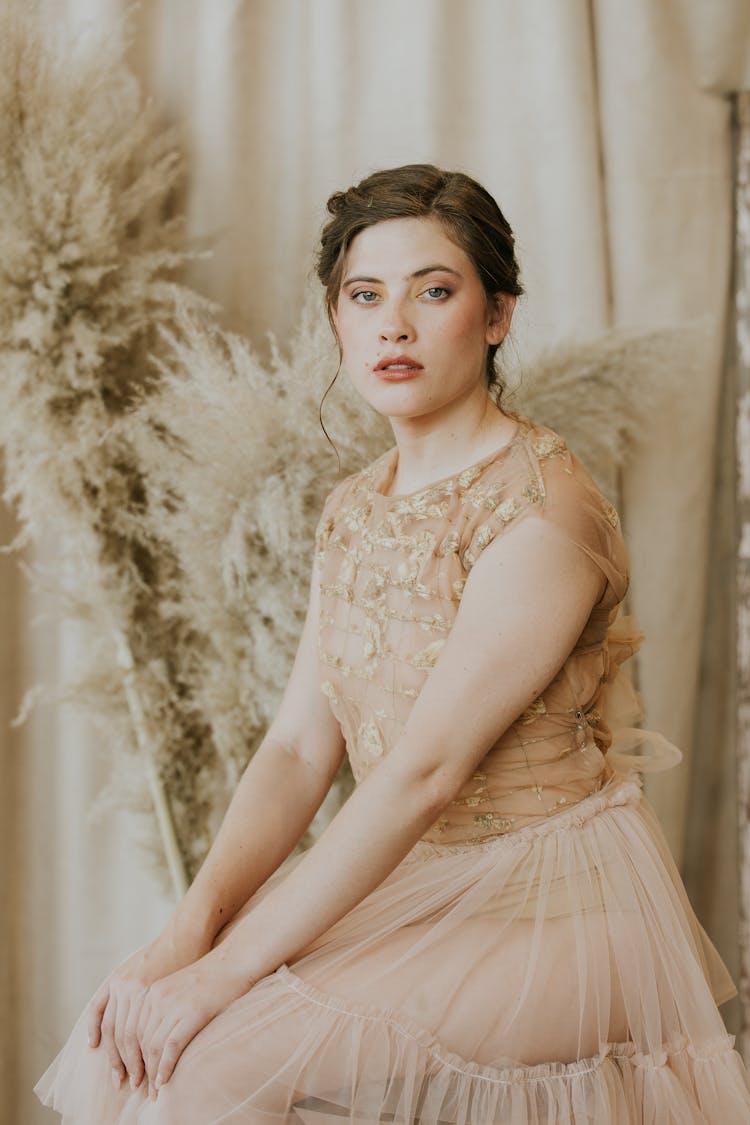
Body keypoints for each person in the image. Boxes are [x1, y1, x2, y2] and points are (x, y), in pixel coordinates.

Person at [35, 163, 750, 1123]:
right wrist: (188, 933)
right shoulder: (356, 506)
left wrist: (217, 978)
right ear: (336, 319)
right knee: (147, 1029)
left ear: (497, 317)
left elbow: (424, 772)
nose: (394, 325)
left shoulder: (541, 511)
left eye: (435, 291)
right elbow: (296, 747)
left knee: (208, 1060)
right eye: (365, 296)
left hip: (568, 910)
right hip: (431, 887)